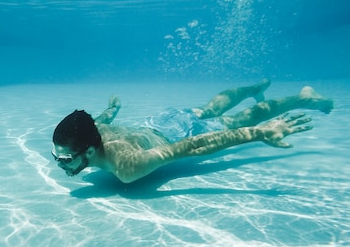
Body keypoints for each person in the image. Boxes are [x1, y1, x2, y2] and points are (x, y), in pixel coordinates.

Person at [51, 80, 334, 183]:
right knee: (209, 108)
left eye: (64, 160)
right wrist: (113, 108)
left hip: (177, 132)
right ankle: (252, 89)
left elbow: (191, 147)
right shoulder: (92, 131)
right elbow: (97, 120)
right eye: (56, 157)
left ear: (88, 151)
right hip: (158, 120)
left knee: (233, 121)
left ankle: (301, 98)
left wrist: (259, 133)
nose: (59, 164)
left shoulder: (127, 167)